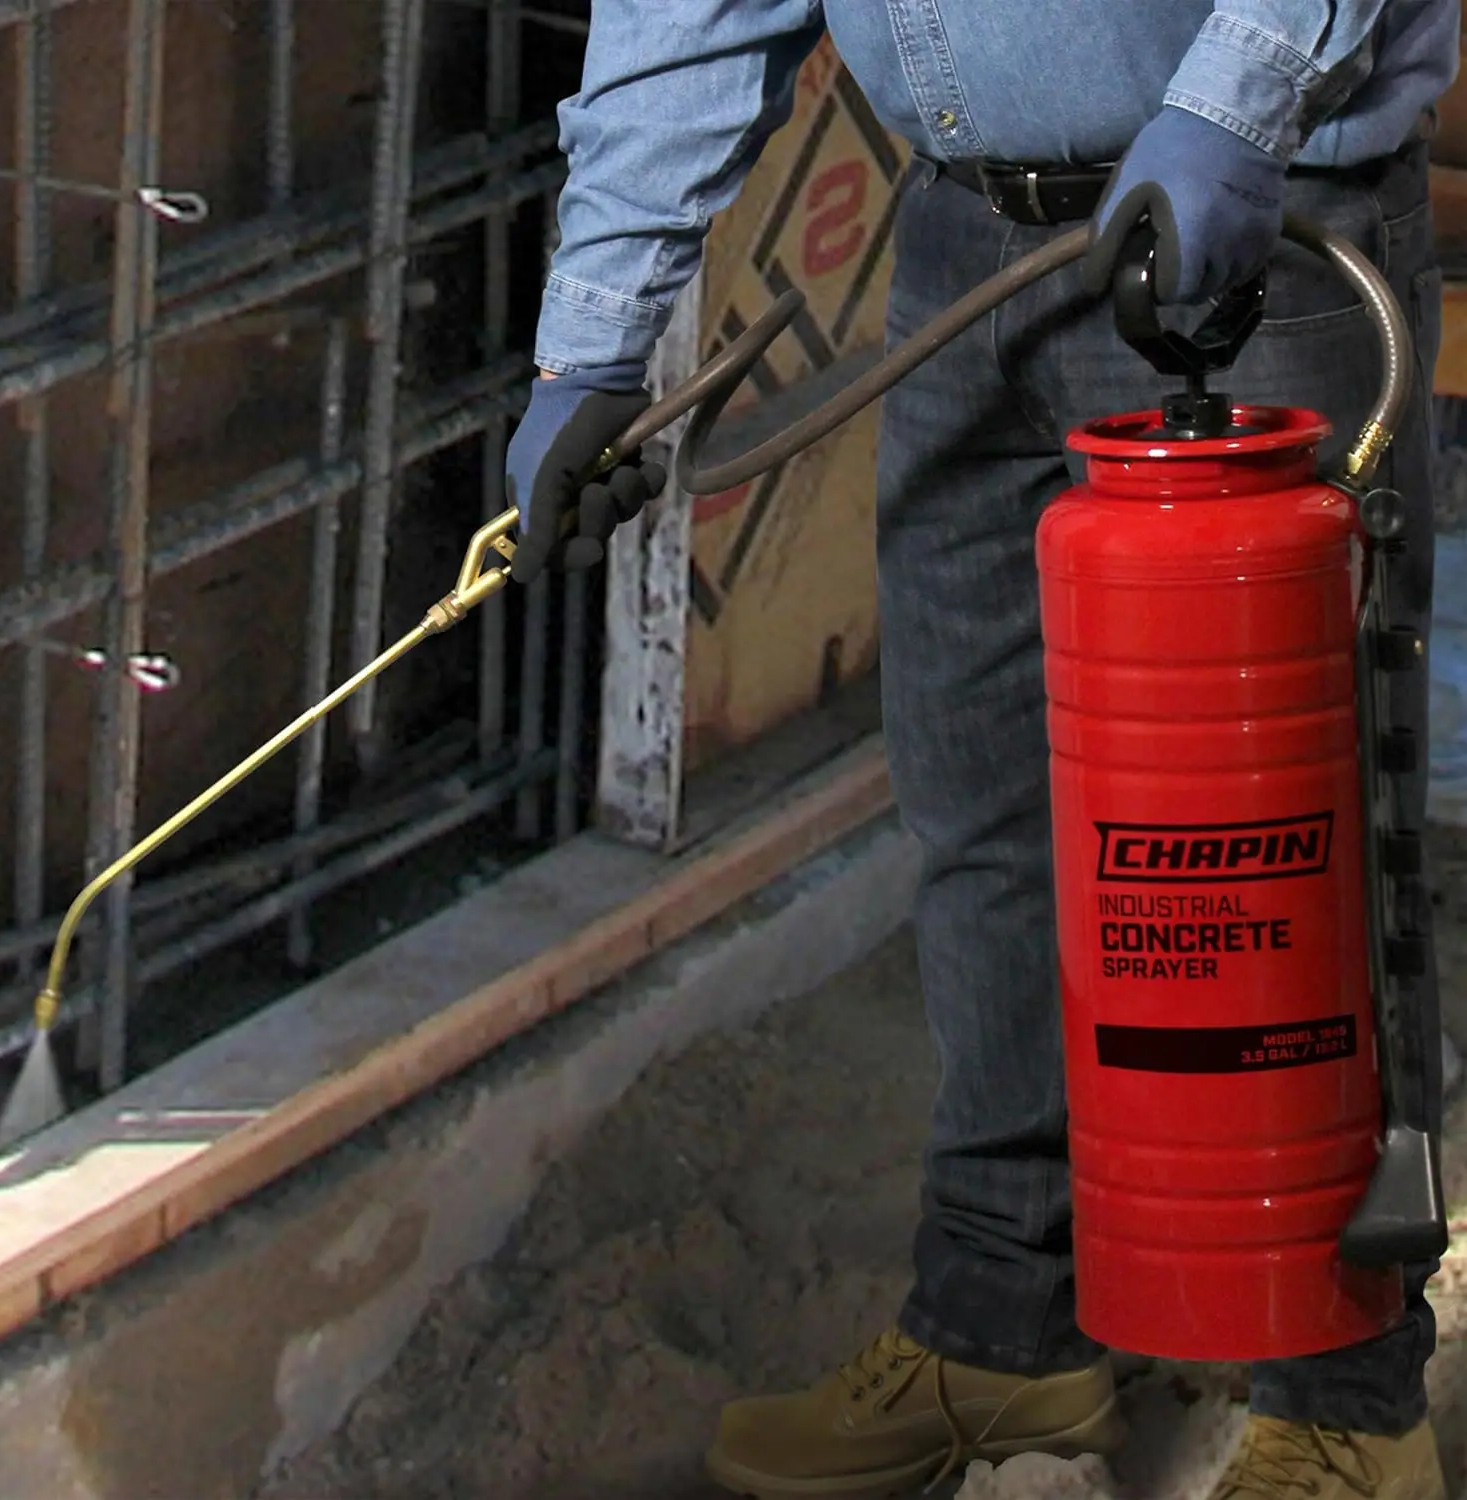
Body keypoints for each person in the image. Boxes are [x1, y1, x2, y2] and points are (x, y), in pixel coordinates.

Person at [503, 5, 1459, 1498]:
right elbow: (689, 10)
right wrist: (593, 344)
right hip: (973, 251)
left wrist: (1233, 104)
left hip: (1248, 230)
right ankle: (1004, 1339)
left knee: (1290, 857)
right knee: (983, 817)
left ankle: (1346, 1404)